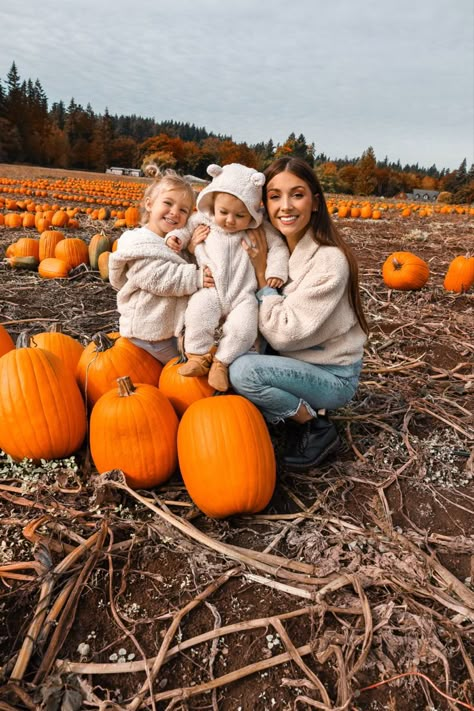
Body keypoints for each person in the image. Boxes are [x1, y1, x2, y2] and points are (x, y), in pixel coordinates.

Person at [228, 156, 369, 472]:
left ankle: (314, 426)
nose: (286, 206)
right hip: (293, 360)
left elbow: (283, 333)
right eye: (275, 195)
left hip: (331, 374)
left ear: (315, 202)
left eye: (297, 194)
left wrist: (263, 276)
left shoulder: (329, 261)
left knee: (243, 372)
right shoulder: (274, 247)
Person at [165, 162, 289, 392]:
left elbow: (279, 248)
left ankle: (222, 362)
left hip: (243, 295)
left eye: (240, 215)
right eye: (224, 212)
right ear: (213, 205)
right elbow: (184, 229)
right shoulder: (203, 221)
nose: (230, 220)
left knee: (245, 328)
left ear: (251, 212)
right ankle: (198, 356)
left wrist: (276, 271)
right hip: (211, 289)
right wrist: (177, 239)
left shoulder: (258, 230)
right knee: (198, 312)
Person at [108, 168, 213, 365]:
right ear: (149, 204)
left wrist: (190, 250)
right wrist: (196, 278)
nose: (175, 212)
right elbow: (158, 278)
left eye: (183, 210)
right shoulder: (138, 242)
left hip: (166, 329)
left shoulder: (173, 243)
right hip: (147, 333)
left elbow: (179, 264)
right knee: (182, 369)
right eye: (168, 203)